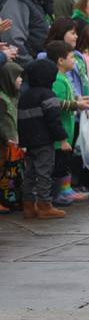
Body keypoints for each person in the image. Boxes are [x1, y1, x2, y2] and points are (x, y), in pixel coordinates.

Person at [39, 19, 89, 204]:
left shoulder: (62, 77)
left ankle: (64, 190)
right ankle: (56, 194)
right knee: (58, 164)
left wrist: (78, 101)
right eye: (71, 58)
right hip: (60, 132)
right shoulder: (58, 79)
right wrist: (75, 105)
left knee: (64, 161)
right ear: (61, 60)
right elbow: (55, 103)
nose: (74, 61)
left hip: (67, 129)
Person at [17, 57, 72, 219]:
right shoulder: (48, 95)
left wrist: (24, 141)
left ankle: (28, 205)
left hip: (29, 142)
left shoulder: (24, 96)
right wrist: (62, 140)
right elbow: (53, 120)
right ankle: (44, 205)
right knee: (44, 173)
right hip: (44, 142)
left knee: (30, 173)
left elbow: (20, 120)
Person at [0, 61, 24, 213]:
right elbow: (1, 123)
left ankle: (11, 200)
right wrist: (7, 138)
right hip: (4, 144)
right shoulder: (2, 100)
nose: (21, 79)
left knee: (10, 175)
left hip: (12, 144)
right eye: (17, 76)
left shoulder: (14, 96)